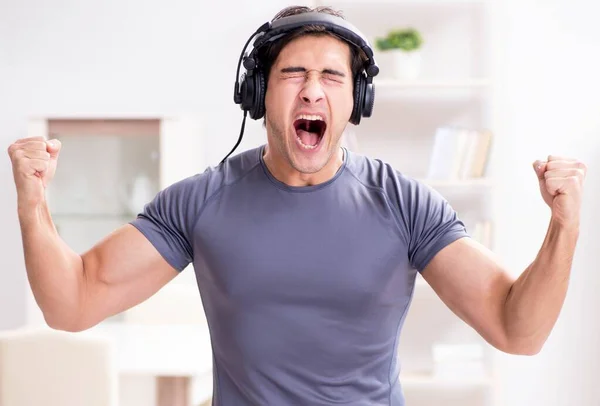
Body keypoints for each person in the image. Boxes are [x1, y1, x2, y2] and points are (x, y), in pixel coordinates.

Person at [6, 5, 586, 406]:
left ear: (356, 99)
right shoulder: (201, 200)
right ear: (259, 94)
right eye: (294, 74)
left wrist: (563, 227)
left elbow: (518, 329)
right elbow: (73, 302)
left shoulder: (405, 204)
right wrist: (33, 205)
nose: (313, 89)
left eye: (333, 77)